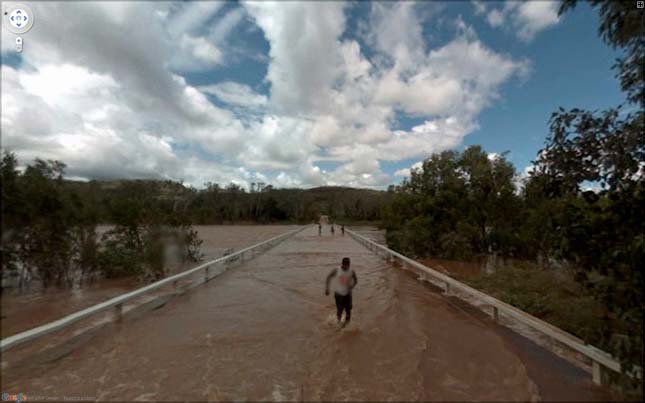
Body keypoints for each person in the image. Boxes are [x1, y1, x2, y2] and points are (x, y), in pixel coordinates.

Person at [325, 257, 357, 327]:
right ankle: (338, 323)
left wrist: (352, 286)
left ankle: (347, 324)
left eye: (347, 265)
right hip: (338, 294)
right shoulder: (337, 270)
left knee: (348, 310)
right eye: (345, 265)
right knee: (340, 310)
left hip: (348, 294)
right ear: (342, 264)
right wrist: (327, 288)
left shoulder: (352, 271)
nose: (346, 267)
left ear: (349, 264)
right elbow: (329, 277)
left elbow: (355, 280)